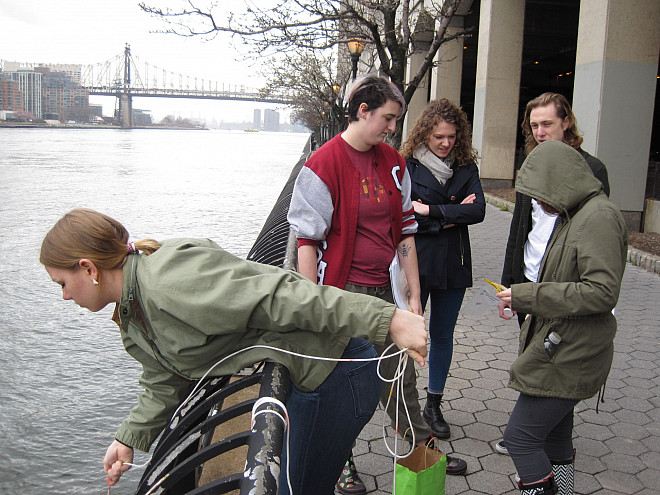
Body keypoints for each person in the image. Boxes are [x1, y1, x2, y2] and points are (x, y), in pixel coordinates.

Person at [40, 208, 428, 495]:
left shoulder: (167, 282)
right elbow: (165, 379)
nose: (64, 295)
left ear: (88, 268)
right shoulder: (135, 309)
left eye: (62, 282)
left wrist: (388, 319)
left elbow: (281, 294)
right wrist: (127, 439)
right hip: (314, 378)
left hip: (336, 377)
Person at [287, 76, 466, 493]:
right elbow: (307, 241)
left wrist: (414, 294)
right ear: (362, 111)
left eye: (396, 120)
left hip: (386, 292)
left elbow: (406, 232)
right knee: (342, 382)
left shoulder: (393, 162)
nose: (392, 128)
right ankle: (343, 463)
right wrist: (315, 302)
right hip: (342, 295)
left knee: (399, 373)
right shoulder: (323, 163)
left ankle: (421, 446)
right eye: (387, 118)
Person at [496, 140, 627, 495]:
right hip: (565, 346)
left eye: (541, 193)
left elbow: (601, 292)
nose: (537, 202)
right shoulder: (576, 214)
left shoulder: (598, 218)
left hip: (571, 351)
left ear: (562, 181)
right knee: (554, 439)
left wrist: (529, 295)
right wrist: (524, 298)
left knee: (520, 439)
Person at [496, 92, 611, 456]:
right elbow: (519, 231)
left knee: (550, 381)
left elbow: (598, 272)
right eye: (534, 125)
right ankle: (549, 444)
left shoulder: (592, 179)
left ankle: (533, 437)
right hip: (530, 284)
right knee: (542, 375)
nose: (541, 131)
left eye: (547, 123)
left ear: (566, 122)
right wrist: (511, 285)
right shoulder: (534, 163)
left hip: (565, 292)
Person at [399, 99, 485, 439]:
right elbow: (405, 213)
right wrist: (450, 214)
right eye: (438, 137)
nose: (445, 143)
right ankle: (404, 401)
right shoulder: (407, 165)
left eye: (451, 136)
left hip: (454, 262)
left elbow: (478, 211)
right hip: (417, 261)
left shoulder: (466, 166)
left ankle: (433, 404)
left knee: (444, 335)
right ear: (425, 134)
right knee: (409, 333)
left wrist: (430, 211)